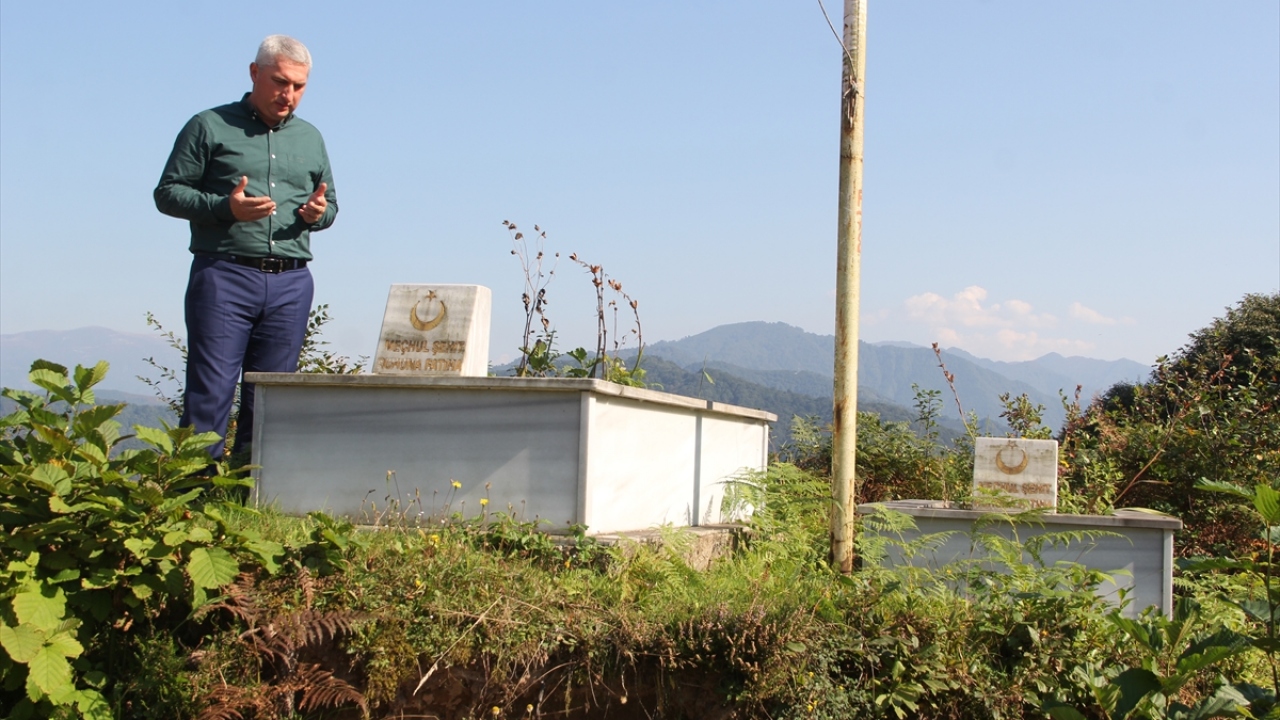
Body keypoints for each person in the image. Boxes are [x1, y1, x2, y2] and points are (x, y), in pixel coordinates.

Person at [155, 34, 338, 462]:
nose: (288, 94)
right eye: (279, 82)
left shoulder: (311, 138)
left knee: (272, 400)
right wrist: (225, 208)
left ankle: (251, 500)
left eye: (299, 86)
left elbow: (332, 207)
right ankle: (192, 499)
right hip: (225, 275)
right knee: (210, 392)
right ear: (255, 73)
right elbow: (167, 194)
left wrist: (318, 214)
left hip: (292, 281)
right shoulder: (208, 125)